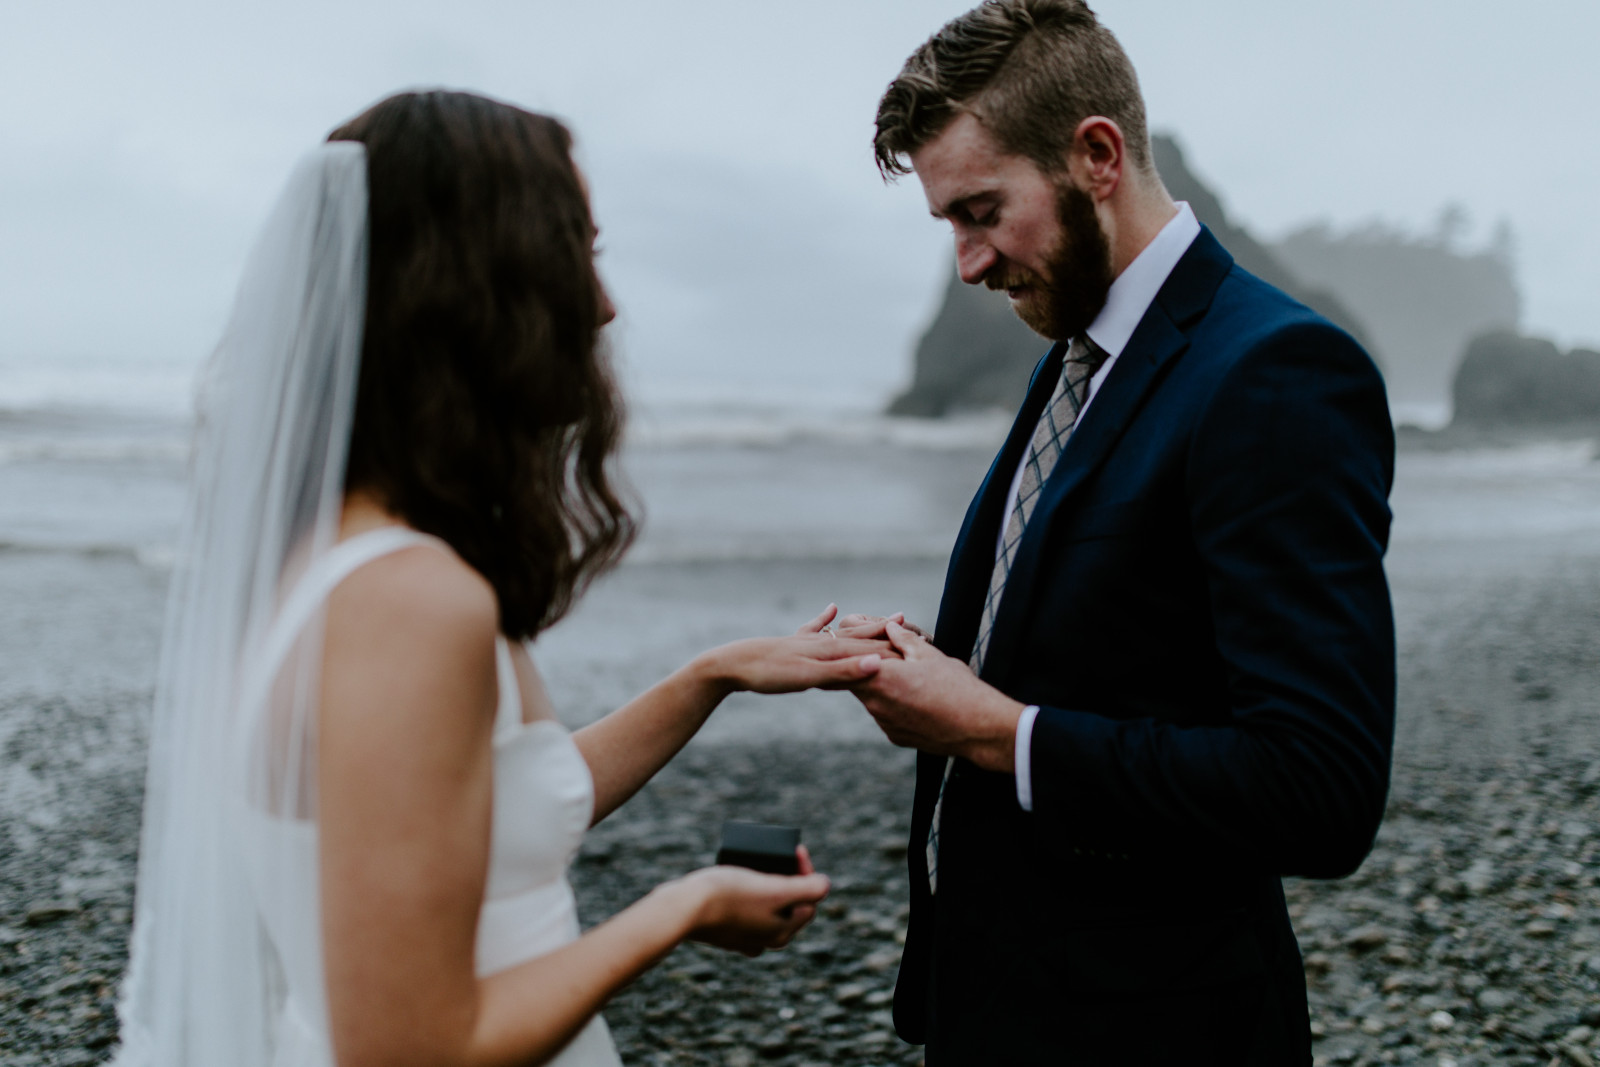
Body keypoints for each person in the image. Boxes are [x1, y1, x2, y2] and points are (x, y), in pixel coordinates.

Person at [112, 90, 890, 1067]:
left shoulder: (323, 559)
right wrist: (683, 905)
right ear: (479, 288)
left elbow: (491, 806)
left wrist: (713, 673)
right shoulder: (408, 599)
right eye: (577, 252)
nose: (603, 303)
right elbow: (413, 1045)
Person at [842, 1, 1396, 1062]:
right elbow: (1096, 643)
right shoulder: (1076, 350)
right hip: (1002, 1004)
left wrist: (989, 728)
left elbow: (1320, 787)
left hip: (1159, 1026)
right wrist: (939, 670)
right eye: (947, 223)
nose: (966, 260)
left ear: (1095, 155)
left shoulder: (1274, 373)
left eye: (981, 211)